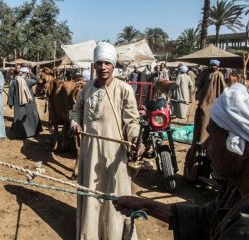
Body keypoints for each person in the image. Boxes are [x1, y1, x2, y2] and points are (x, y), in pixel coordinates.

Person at [114, 83, 249, 240]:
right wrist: (146, 205)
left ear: (240, 148)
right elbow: (204, 218)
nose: (205, 145)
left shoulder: (244, 227)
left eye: (213, 137)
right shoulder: (234, 188)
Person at [69, 42, 141, 240]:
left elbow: (132, 121)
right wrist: (75, 123)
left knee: (114, 196)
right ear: (94, 65)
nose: (103, 67)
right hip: (89, 152)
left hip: (114, 154)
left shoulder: (124, 89)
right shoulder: (86, 89)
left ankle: (115, 235)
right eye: (99, 63)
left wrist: (135, 140)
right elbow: (76, 111)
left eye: (107, 63)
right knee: (90, 194)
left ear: (113, 65)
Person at [184, 59, 227, 181]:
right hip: (203, 103)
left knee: (207, 129)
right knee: (200, 127)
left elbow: (223, 88)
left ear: (218, 66)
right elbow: (198, 83)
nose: (213, 66)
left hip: (213, 103)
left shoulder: (219, 75)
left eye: (215, 65)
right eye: (212, 64)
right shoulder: (206, 72)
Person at [7, 66, 42, 138]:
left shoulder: (14, 80)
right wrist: (32, 73)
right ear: (26, 73)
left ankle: (19, 134)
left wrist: (10, 103)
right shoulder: (28, 81)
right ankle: (32, 132)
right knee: (31, 116)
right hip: (29, 102)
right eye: (27, 73)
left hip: (18, 103)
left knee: (19, 117)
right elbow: (38, 80)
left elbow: (11, 92)